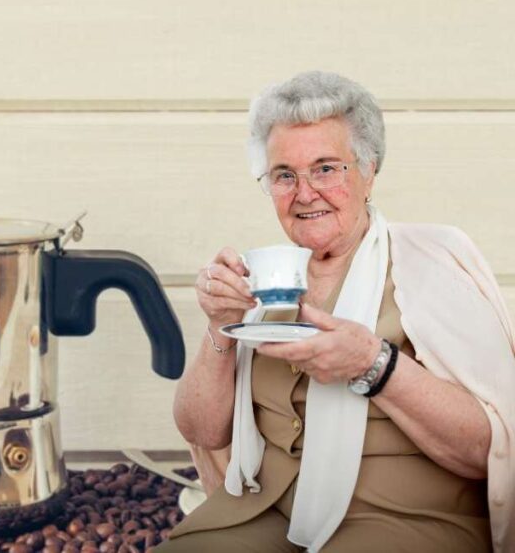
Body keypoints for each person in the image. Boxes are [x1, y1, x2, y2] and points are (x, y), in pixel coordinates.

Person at [159, 71, 515, 552]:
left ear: (369, 171)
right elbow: (201, 430)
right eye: (285, 174)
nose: (304, 193)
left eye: (326, 168)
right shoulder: (261, 282)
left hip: (405, 518)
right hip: (264, 512)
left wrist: (375, 364)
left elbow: (487, 448)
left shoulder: (431, 262)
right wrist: (219, 326)